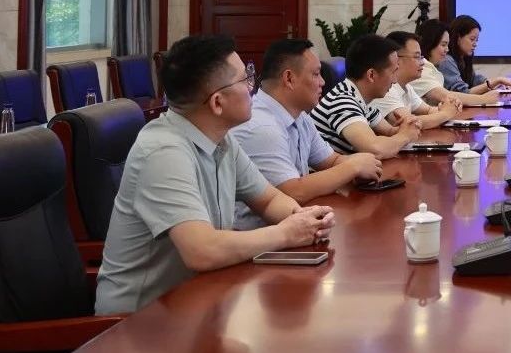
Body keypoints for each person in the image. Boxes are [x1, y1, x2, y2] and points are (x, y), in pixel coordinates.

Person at [95, 35, 335, 315]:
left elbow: (269, 200)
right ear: (218, 103)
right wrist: (285, 234)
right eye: (245, 79)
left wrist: (305, 220)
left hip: (199, 300)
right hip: (138, 321)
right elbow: (201, 250)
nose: (253, 87)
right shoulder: (163, 152)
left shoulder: (221, 139)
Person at [231, 38, 385, 230]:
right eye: (316, 74)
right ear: (289, 79)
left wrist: (361, 167)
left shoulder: (300, 116)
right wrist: (352, 167)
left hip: (295, 225)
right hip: (257, 237)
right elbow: (293, 191)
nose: (323, 82)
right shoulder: (261, 126)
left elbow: (330, 161)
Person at [310, 33, 421, 158]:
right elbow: (375, 149)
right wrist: (405, 136)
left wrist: (406, 127)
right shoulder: (342, 100)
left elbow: (389, 132)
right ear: (371, 75)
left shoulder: (361, 99)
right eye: (393, 72)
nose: (395, 80)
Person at [373, 31, 462, 129]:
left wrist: (450, 107)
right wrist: (445, 114)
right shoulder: (386, 88)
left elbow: (428, 110)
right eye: (417, 57)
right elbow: (407, 123)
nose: (422, 62)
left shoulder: (406, 86)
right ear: (395, 59)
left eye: (421, 57)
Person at [411, 19, 503, 106]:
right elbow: (447, 96)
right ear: (430, 44)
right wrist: (485, 99)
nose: (447, 49)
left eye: (447, 45)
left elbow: (474, 80)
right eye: (443, 45)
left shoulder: (432, 68)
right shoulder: (422, 70)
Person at [440, 15, 511, 94]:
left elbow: (474, 80)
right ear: (458, 37)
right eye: (472, 39)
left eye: (477, 40)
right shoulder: (446, 60)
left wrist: (499, 84)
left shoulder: (463, 58)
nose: (475, 44)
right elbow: (463, 93)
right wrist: (497, 80)